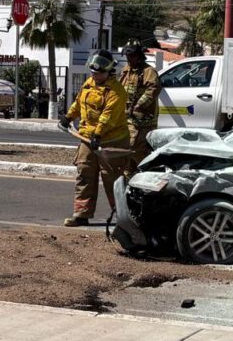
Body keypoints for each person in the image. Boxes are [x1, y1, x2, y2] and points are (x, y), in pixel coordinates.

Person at [57, 50, 129, 227]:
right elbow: (79, 103)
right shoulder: (89, 84)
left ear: (109, 71)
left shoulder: (117, 91)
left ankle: (123, 217)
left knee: (112, 179)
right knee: (84, 173)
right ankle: (81, 214)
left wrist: (98, 134)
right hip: (88, 138)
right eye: (93, 73)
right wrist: (68, 117)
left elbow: (108, 116)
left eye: (98, 73)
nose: (94, 75)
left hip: (112, 141)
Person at [118, 40, 160, 172]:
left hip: (144, 121)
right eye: (127, 56)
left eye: (132, 55)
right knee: (126, 151)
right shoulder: (126, 71)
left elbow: (153, 90)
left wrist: (138, 106)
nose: (129, 58)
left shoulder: (149, 72)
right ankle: (129, 177)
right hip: (127, 119)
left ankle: (149, 172)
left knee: (135, 148)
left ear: (139, 55)